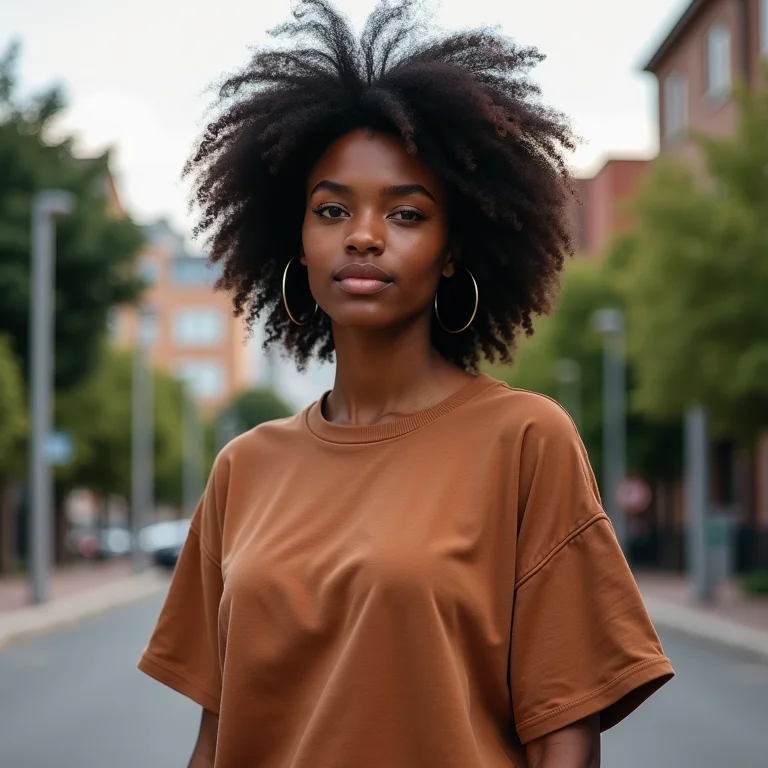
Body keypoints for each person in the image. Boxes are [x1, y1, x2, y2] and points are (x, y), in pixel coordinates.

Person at [137, 2, 674, 766]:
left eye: (406, 213)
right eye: (332, 210)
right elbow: (216, 739)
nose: (363, 234)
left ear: (453, 249)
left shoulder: (525, 441)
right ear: (297, 240)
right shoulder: (243, 471)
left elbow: (565, 734)